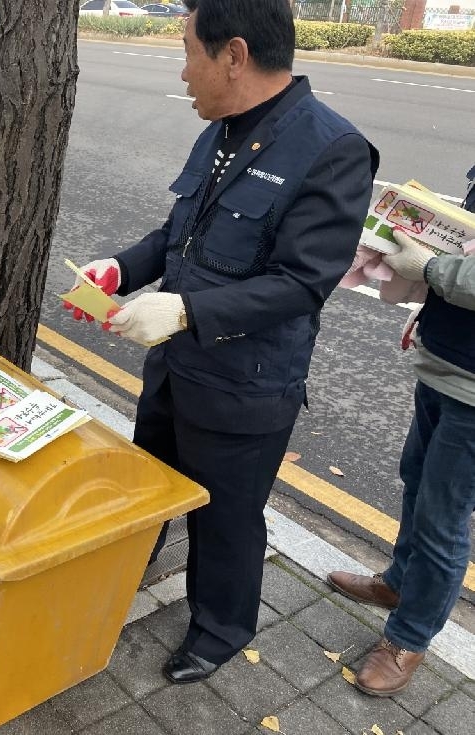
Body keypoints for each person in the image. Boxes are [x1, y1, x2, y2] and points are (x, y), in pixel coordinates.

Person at [67, 0, 378, 683]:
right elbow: (181, 234)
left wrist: (181, 311)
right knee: (149, 484)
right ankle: (124, 574)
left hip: (245, 384)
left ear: (233, 56)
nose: (183, 72)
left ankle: (220, 628)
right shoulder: (222, 127)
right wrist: (122, 268)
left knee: (228, 521)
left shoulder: (333, 150)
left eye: (189, 52)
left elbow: (301, 283)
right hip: (178, 368)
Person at [327, 175, 475, 697]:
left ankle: (409, 639)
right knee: (416, 481)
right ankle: (399, 584)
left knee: (443, 518)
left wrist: (432, 271)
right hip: (447, 361)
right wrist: (429, 311)